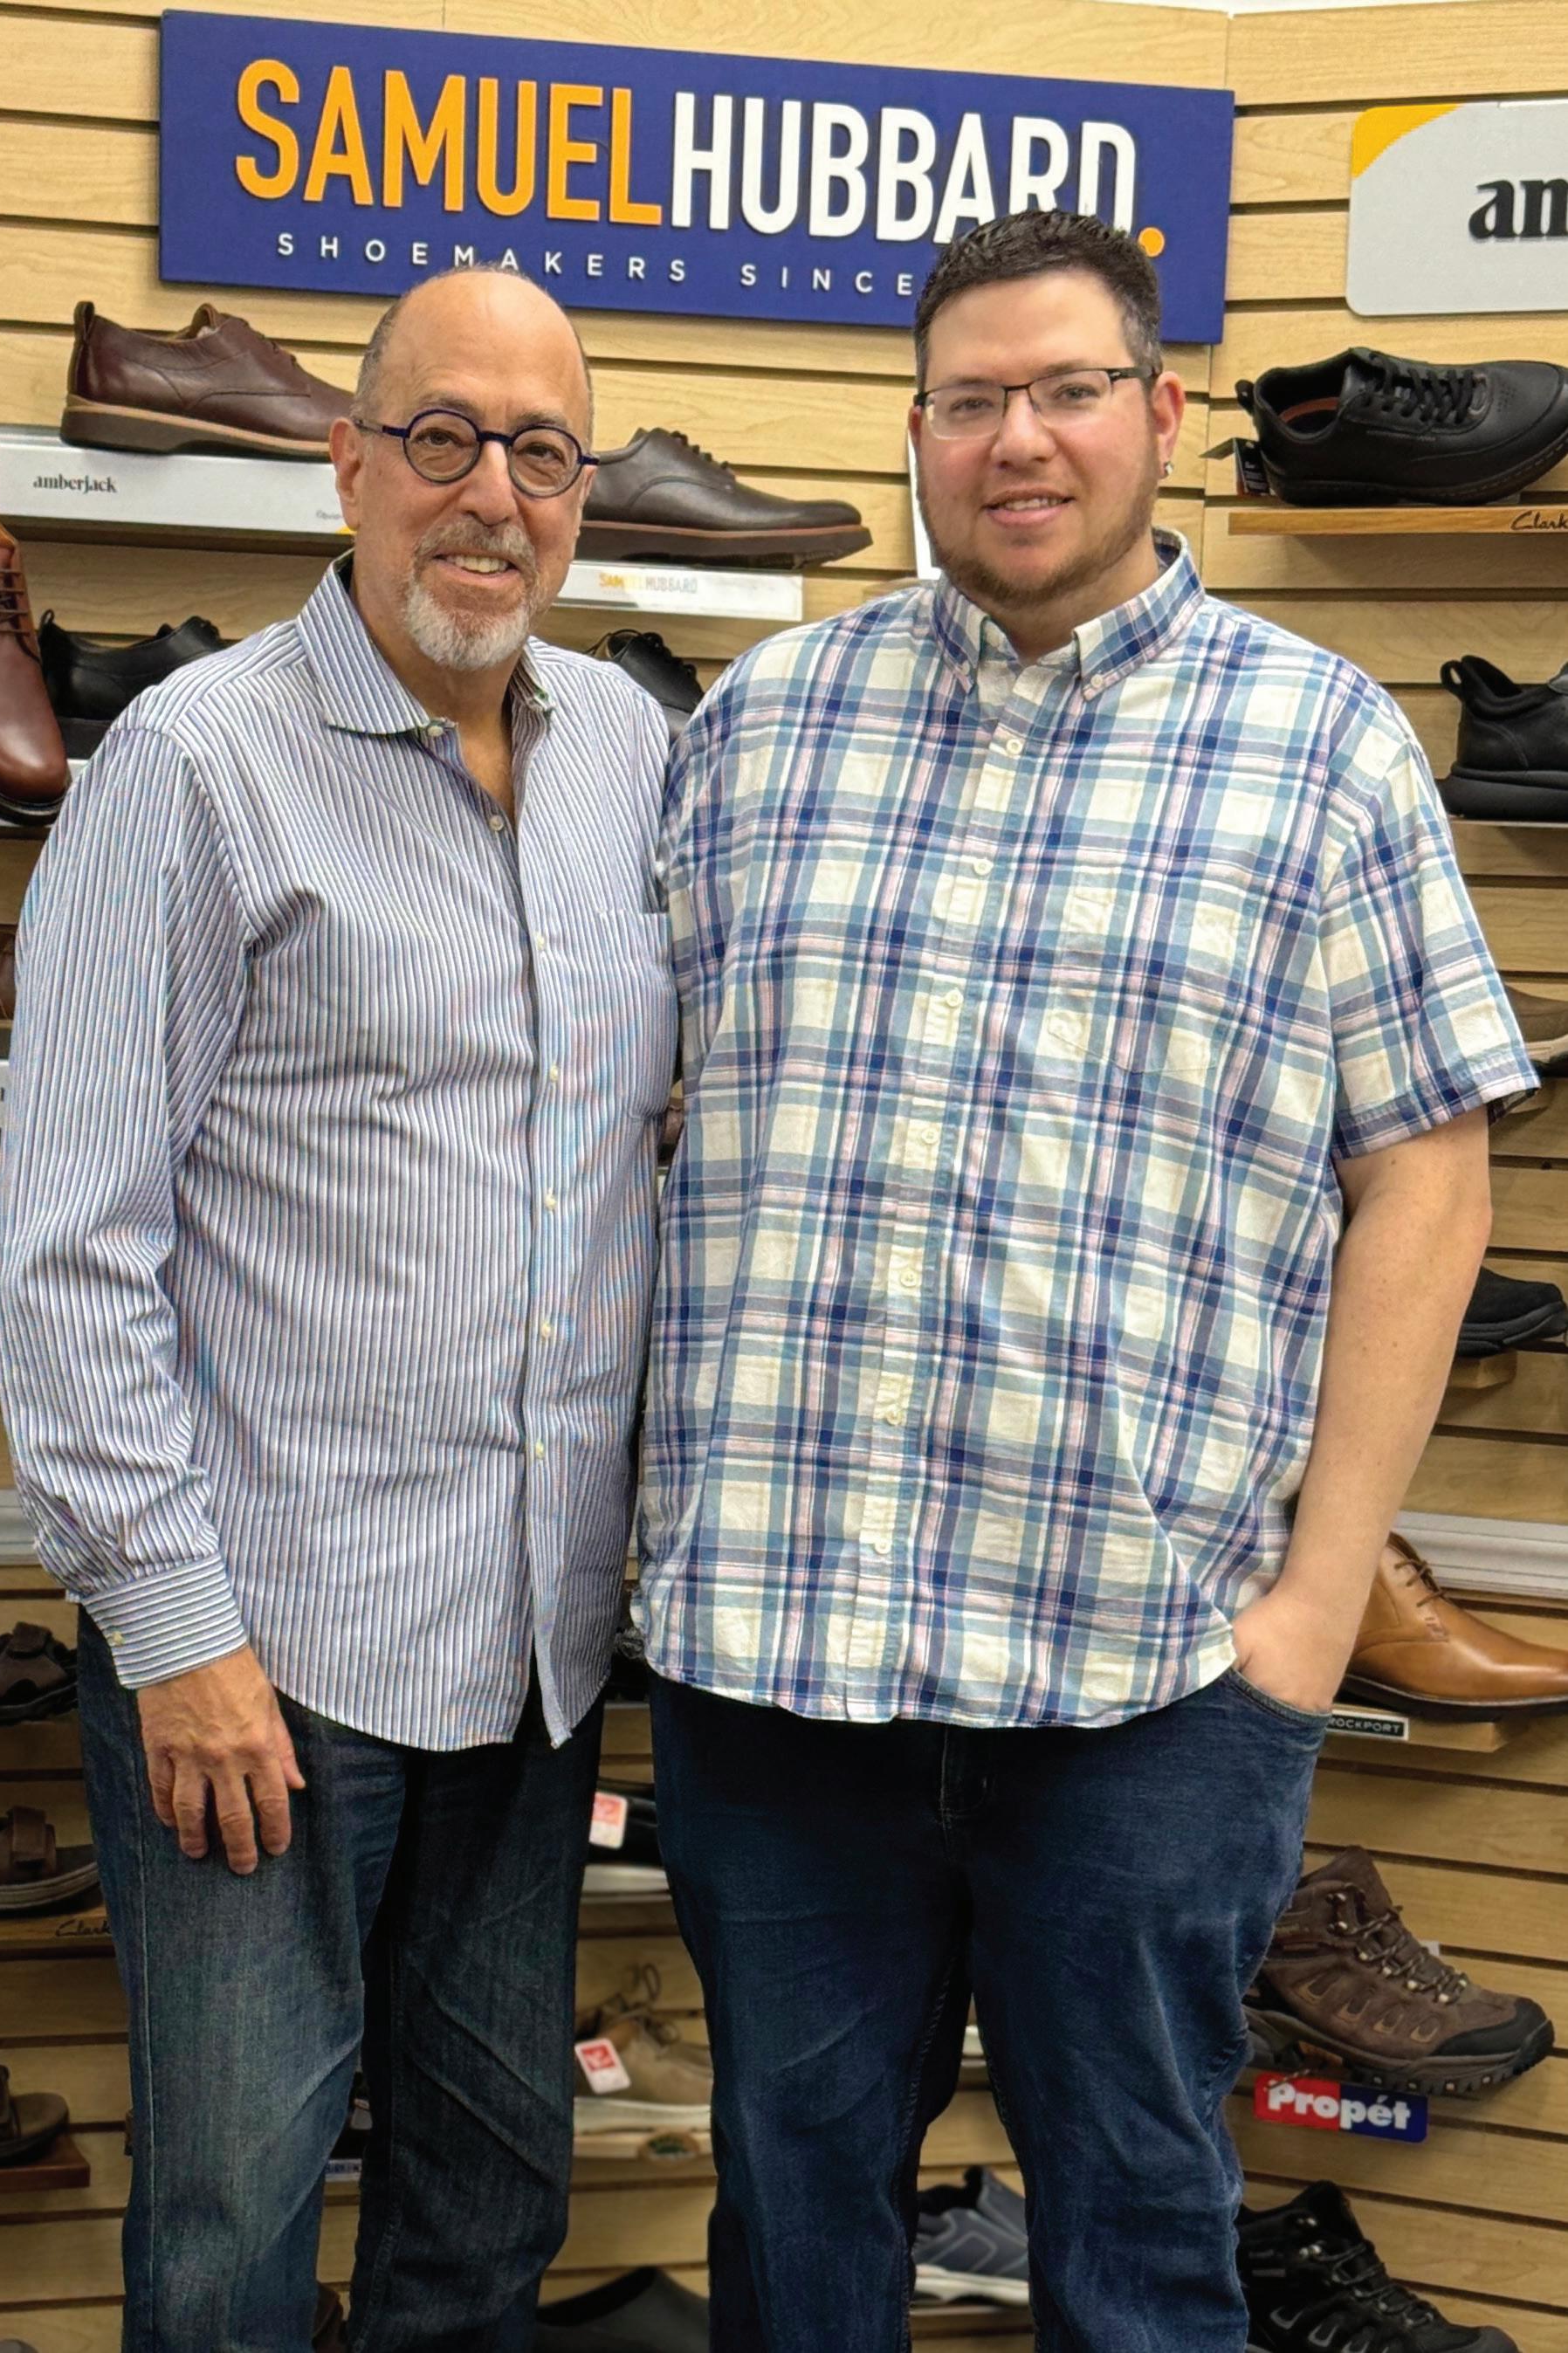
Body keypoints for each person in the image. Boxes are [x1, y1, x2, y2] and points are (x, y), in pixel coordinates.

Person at [636, 210, 1537, 2352]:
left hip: (1145, 1674)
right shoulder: (761, 725)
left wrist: (1313, 1608)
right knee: (791, 2240)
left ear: (1156, 411)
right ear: (915, 430)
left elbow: (1425, 1180)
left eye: (1062, 391)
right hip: (779, 1660)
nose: (1013, 441)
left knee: (1138, 2256)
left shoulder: (1317, 746)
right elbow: (630, 1119)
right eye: (966, 400)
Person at [0, 266, 675, 2353]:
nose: (493, 494)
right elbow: (71, 1237)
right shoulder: (194, 766)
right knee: (232, 2224)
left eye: (540, 452)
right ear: (348, 461)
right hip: (271, 1661)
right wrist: (172, 1629)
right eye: (443, 438)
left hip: (531, 1648)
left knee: (490, 2197)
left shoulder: (627, 753)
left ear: (578, 495)